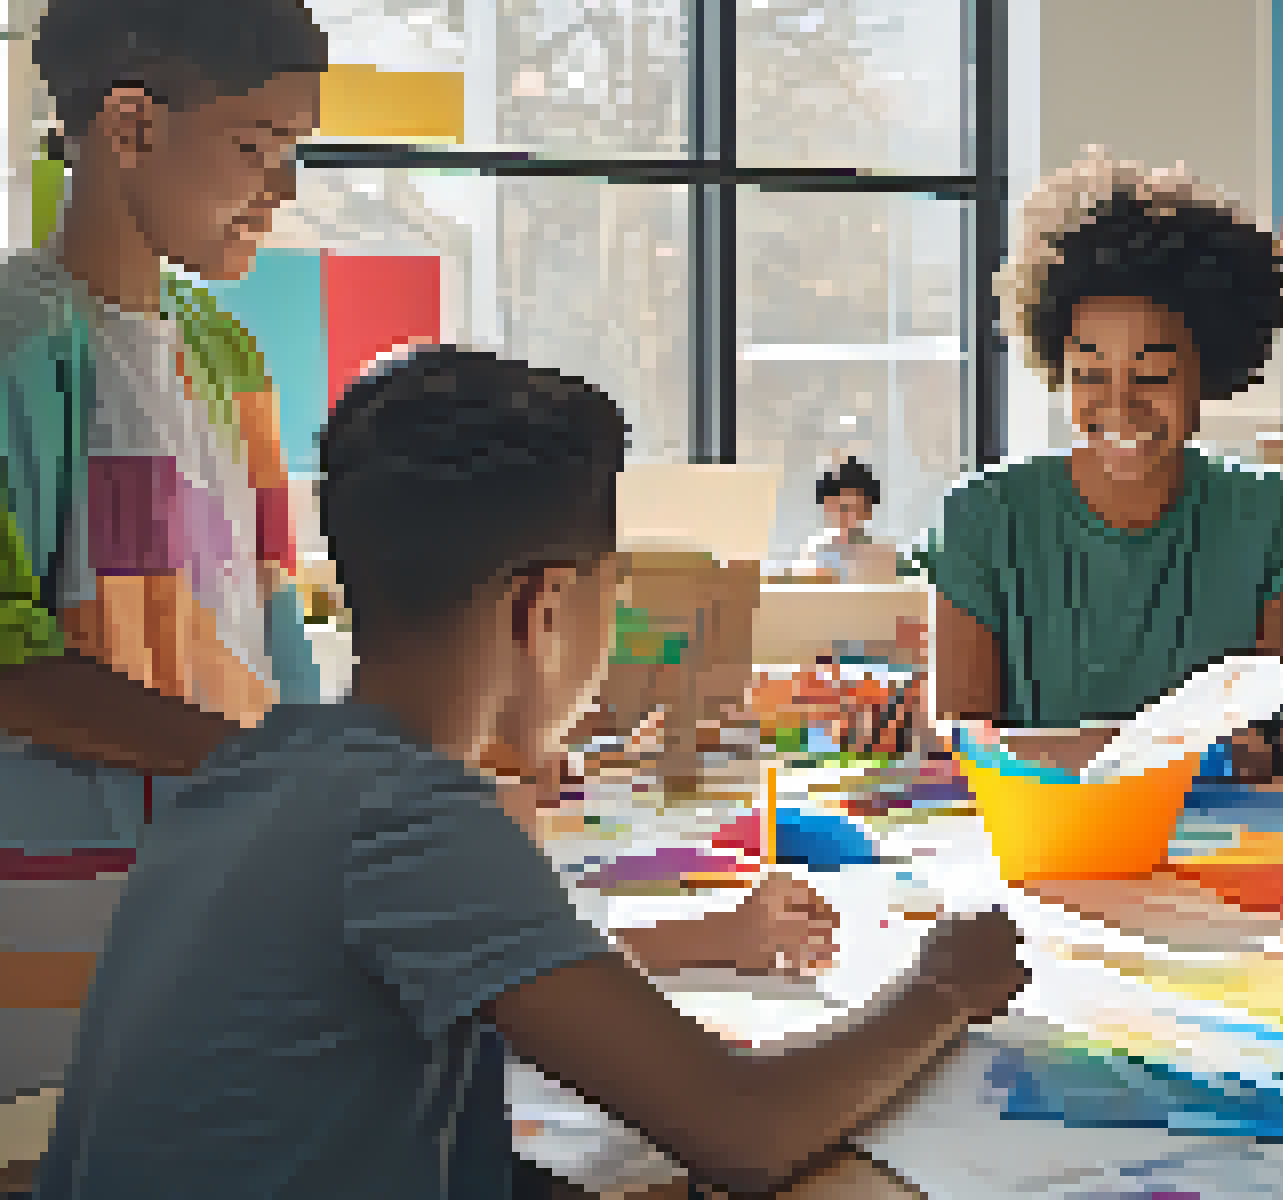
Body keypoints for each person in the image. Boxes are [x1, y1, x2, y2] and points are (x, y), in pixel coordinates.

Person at [35, 347, 1030, 1199]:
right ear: (543, 611)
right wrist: (944, 984)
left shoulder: (257, 770)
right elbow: (745, 1132)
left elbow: (464, 975)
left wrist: (698, 937)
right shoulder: (414, 819)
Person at [0, 0, 325, 1108]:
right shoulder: (17, 345)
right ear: (131, 127)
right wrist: (276, 770)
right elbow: (8, 665)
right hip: (42, 922)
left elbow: (275, 629)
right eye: (256, 149)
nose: (280, 193)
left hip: (214, 900)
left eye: (293, 154)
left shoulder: (229, 354)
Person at [926, 151, 1283, 757]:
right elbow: (963, 744)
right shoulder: (982, 515)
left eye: (1152, 376)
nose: (1119, 405)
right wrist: (1152, 746)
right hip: (1045, 829)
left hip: (1227, 834)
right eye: (1089, 374)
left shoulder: (1268, 512)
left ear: (1206, 370)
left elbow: (1276, 729)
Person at [801, 457, 899, 584]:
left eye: (853, 508)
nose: (845, 515)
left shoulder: (882, 553)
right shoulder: (814, 550)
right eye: (840, 508)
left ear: (867, 510)